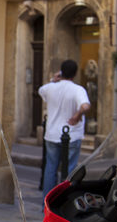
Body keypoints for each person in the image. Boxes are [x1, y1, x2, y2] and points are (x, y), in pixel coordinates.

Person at [39, 59, 91, 199]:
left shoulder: (49, 88)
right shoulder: (78, 90)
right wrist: (77, 115)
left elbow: (41, 90)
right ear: (75, 74)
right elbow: (85, 106)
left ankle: (47, 203)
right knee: (69, 170)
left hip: (52, 134)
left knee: (51, 169)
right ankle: (65, 201)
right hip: (71, 134)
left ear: (61, 72)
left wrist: (53, 79)